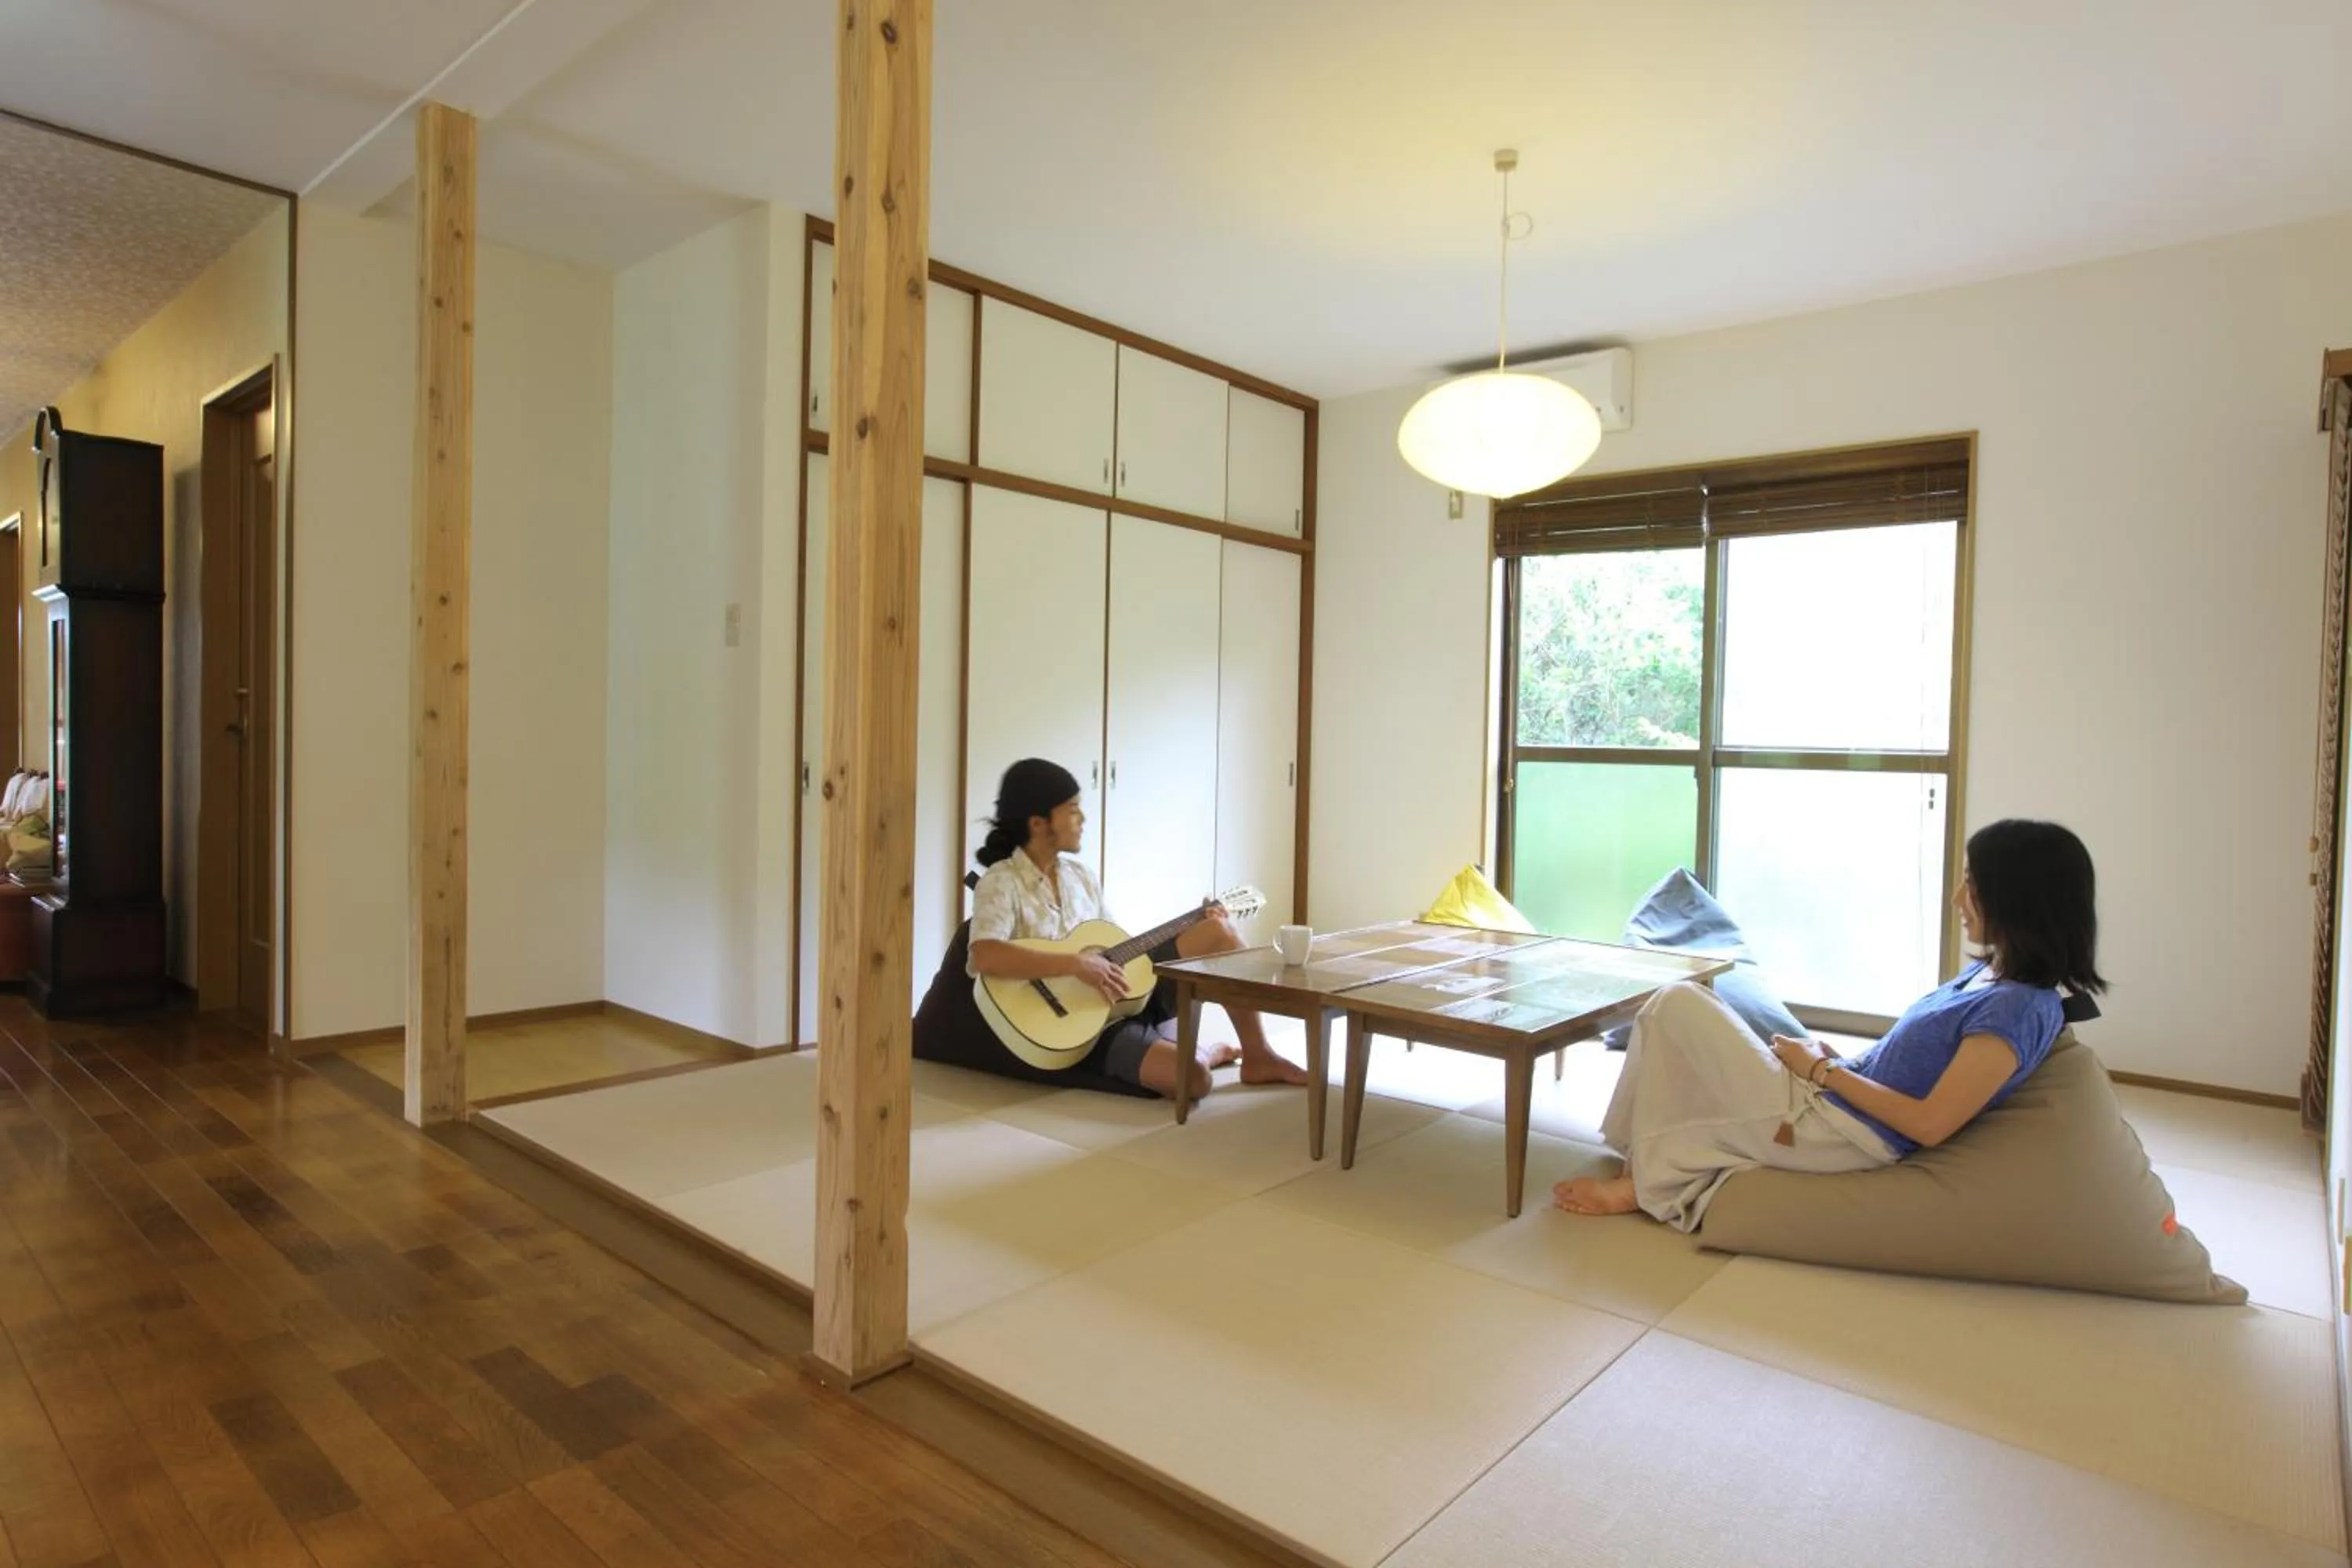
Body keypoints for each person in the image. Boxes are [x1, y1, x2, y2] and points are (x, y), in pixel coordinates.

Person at [1554, 818, 2106, 1229]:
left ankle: (1641, 1183)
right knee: (1670, 1008)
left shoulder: (2018, 1009)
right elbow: (1908, 1062)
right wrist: (1836, 1059)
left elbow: (1931, 1124)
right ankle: (1638, 1156)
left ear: (2018, 899)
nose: (1959, 898)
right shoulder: (1989, 973)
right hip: (1836, 1095)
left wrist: (1821, 1073)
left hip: (1842, 1133)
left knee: (1677, 1002)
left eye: (1973, 885)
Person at [912, 758, 1310, 1100]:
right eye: (1071, 809)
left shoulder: (1080, 877)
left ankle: (1258, 1055)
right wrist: (1074, 965)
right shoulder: (1001, 881)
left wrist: (1195, 921)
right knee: (1194, 1080)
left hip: (1117, 994)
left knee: (1218, 934)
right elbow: (985, 955)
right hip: (1079, 1025)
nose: (1082, 818)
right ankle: (1206, 1052)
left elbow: (1110, 943)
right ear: (1038, 823)